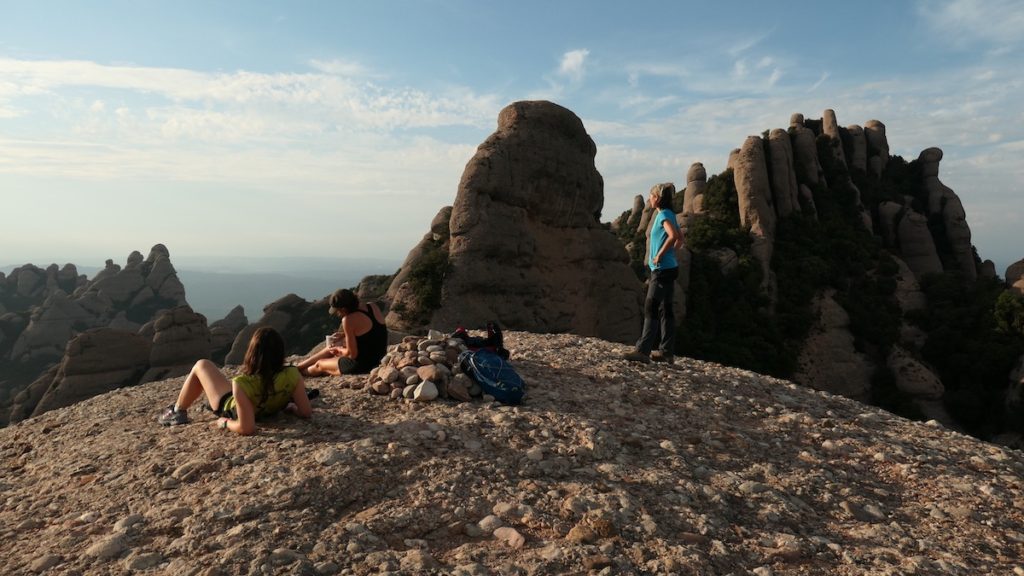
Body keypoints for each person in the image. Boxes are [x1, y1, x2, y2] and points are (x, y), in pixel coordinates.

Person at [157, 326, 312, 435]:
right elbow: (305, 412)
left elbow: (247, 428)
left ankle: (177, 412)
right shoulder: (292, 374)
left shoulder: (242, 382)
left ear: (252, 353)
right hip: (266, 407)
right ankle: (179, 410)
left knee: (202, 365)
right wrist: (292, 408)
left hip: (231, 409)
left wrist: (224, 422)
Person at [625, 183, 683, 364]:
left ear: (657, 198)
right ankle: (666, 352)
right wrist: (671, 254)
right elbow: (680, 239)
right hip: (670, 268)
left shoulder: (664, 215)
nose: (649, 198)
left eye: (651, 195)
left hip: (661, 270)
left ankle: (643, 351)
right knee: (666, 310)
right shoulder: (670, 214)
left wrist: (660, 255)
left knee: (651, 307)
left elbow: (673, 236)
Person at [296, 288, 388, 377]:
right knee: (329, 349)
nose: (338, 313)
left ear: (343, 309)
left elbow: (352, 355)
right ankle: (298, 367)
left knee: (320, 364)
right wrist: (344, 335)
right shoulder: (372, 306)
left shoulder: (348, 320)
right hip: (379, 358)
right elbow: (374, 330)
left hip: (362, 365)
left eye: (338, 311)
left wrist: (339, 350)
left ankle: (298, 373)